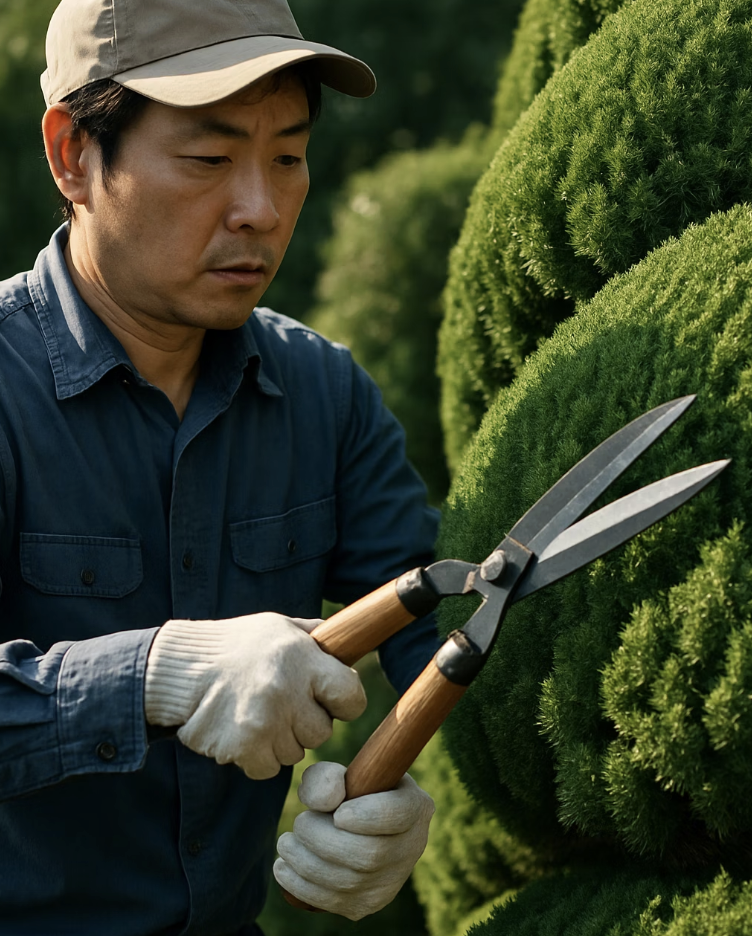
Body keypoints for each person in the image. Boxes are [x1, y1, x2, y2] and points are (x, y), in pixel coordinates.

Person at [0, 0, 440, 932]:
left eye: (288, 156)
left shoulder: (323, 395)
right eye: (208, 159)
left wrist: (398, 798)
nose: (261, 209)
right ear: (73, 155)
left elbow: (440, 626)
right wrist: (152, 675)